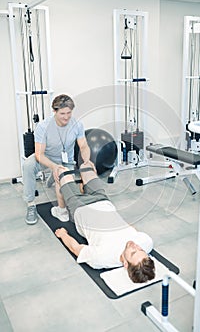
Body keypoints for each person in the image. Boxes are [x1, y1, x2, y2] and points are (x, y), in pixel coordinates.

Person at [54, 162, 156, 284]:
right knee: (86, 166)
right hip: (103, 200)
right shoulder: (147, 243)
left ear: (125, 263)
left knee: (61, 171)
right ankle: (84, 186)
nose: (135, 245)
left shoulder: (102, 258)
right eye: (141, 250)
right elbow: (131, 228)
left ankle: (61, 211)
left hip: (80, 206)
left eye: (133, 252)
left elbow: (75, 248)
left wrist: (63, 234)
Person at [23, 94, 95, 225]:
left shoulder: (77, 125)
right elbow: (39, 154)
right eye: (62, 113)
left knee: (66, 187)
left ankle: (53, 177)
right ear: (54, 111)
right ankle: (31, 204)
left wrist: (86, 161)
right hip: (46, 158)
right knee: (28, 165)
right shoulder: (43, 127)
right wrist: (54, 167)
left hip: (65, 160)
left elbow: (83, 146)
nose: (66, 117)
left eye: (69, 113)